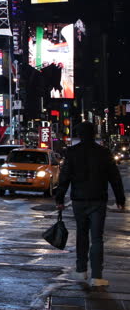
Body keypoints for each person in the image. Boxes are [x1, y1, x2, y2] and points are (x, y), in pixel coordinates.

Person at [55, 122, 126, 287]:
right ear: (94, 134)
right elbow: (114, 178)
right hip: (98, 199)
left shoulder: (72, 152)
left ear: (79, 135)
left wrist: (59, 199)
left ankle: (81, 270)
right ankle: (97, 276)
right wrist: (120, 199)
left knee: (82, 234)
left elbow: (64, 177)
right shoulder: (104, 152)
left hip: (79, 200)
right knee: (97, 238)